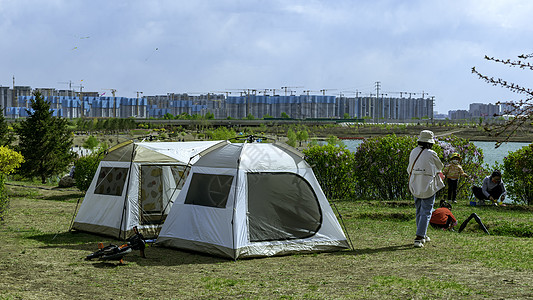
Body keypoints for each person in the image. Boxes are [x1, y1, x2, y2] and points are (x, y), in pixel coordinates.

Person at [407, 130, 445, 248]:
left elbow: (409, 168)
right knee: (427, 211)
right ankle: (419, 237)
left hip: (414, 183)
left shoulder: (413, 151)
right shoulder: (431, 153)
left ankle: (423, 233)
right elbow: (440, 166)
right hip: (427, 185)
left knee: (419, 210)